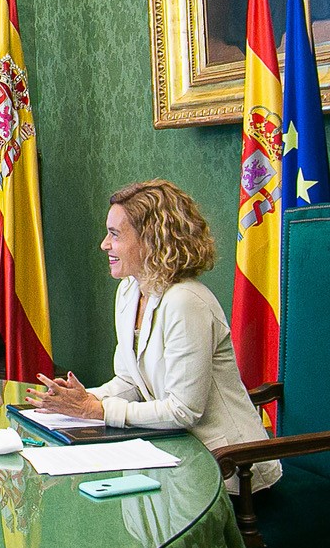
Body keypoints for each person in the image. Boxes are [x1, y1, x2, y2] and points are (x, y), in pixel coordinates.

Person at [26, 179, 280, 495]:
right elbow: (130, 382)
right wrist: (75, 401)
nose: (104, 244)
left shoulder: (187, 301)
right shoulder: (129, 291)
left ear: (151, 240)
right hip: (171, 458)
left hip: (229, 472)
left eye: (115, 234)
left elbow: (183, 410)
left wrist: (97, 410)